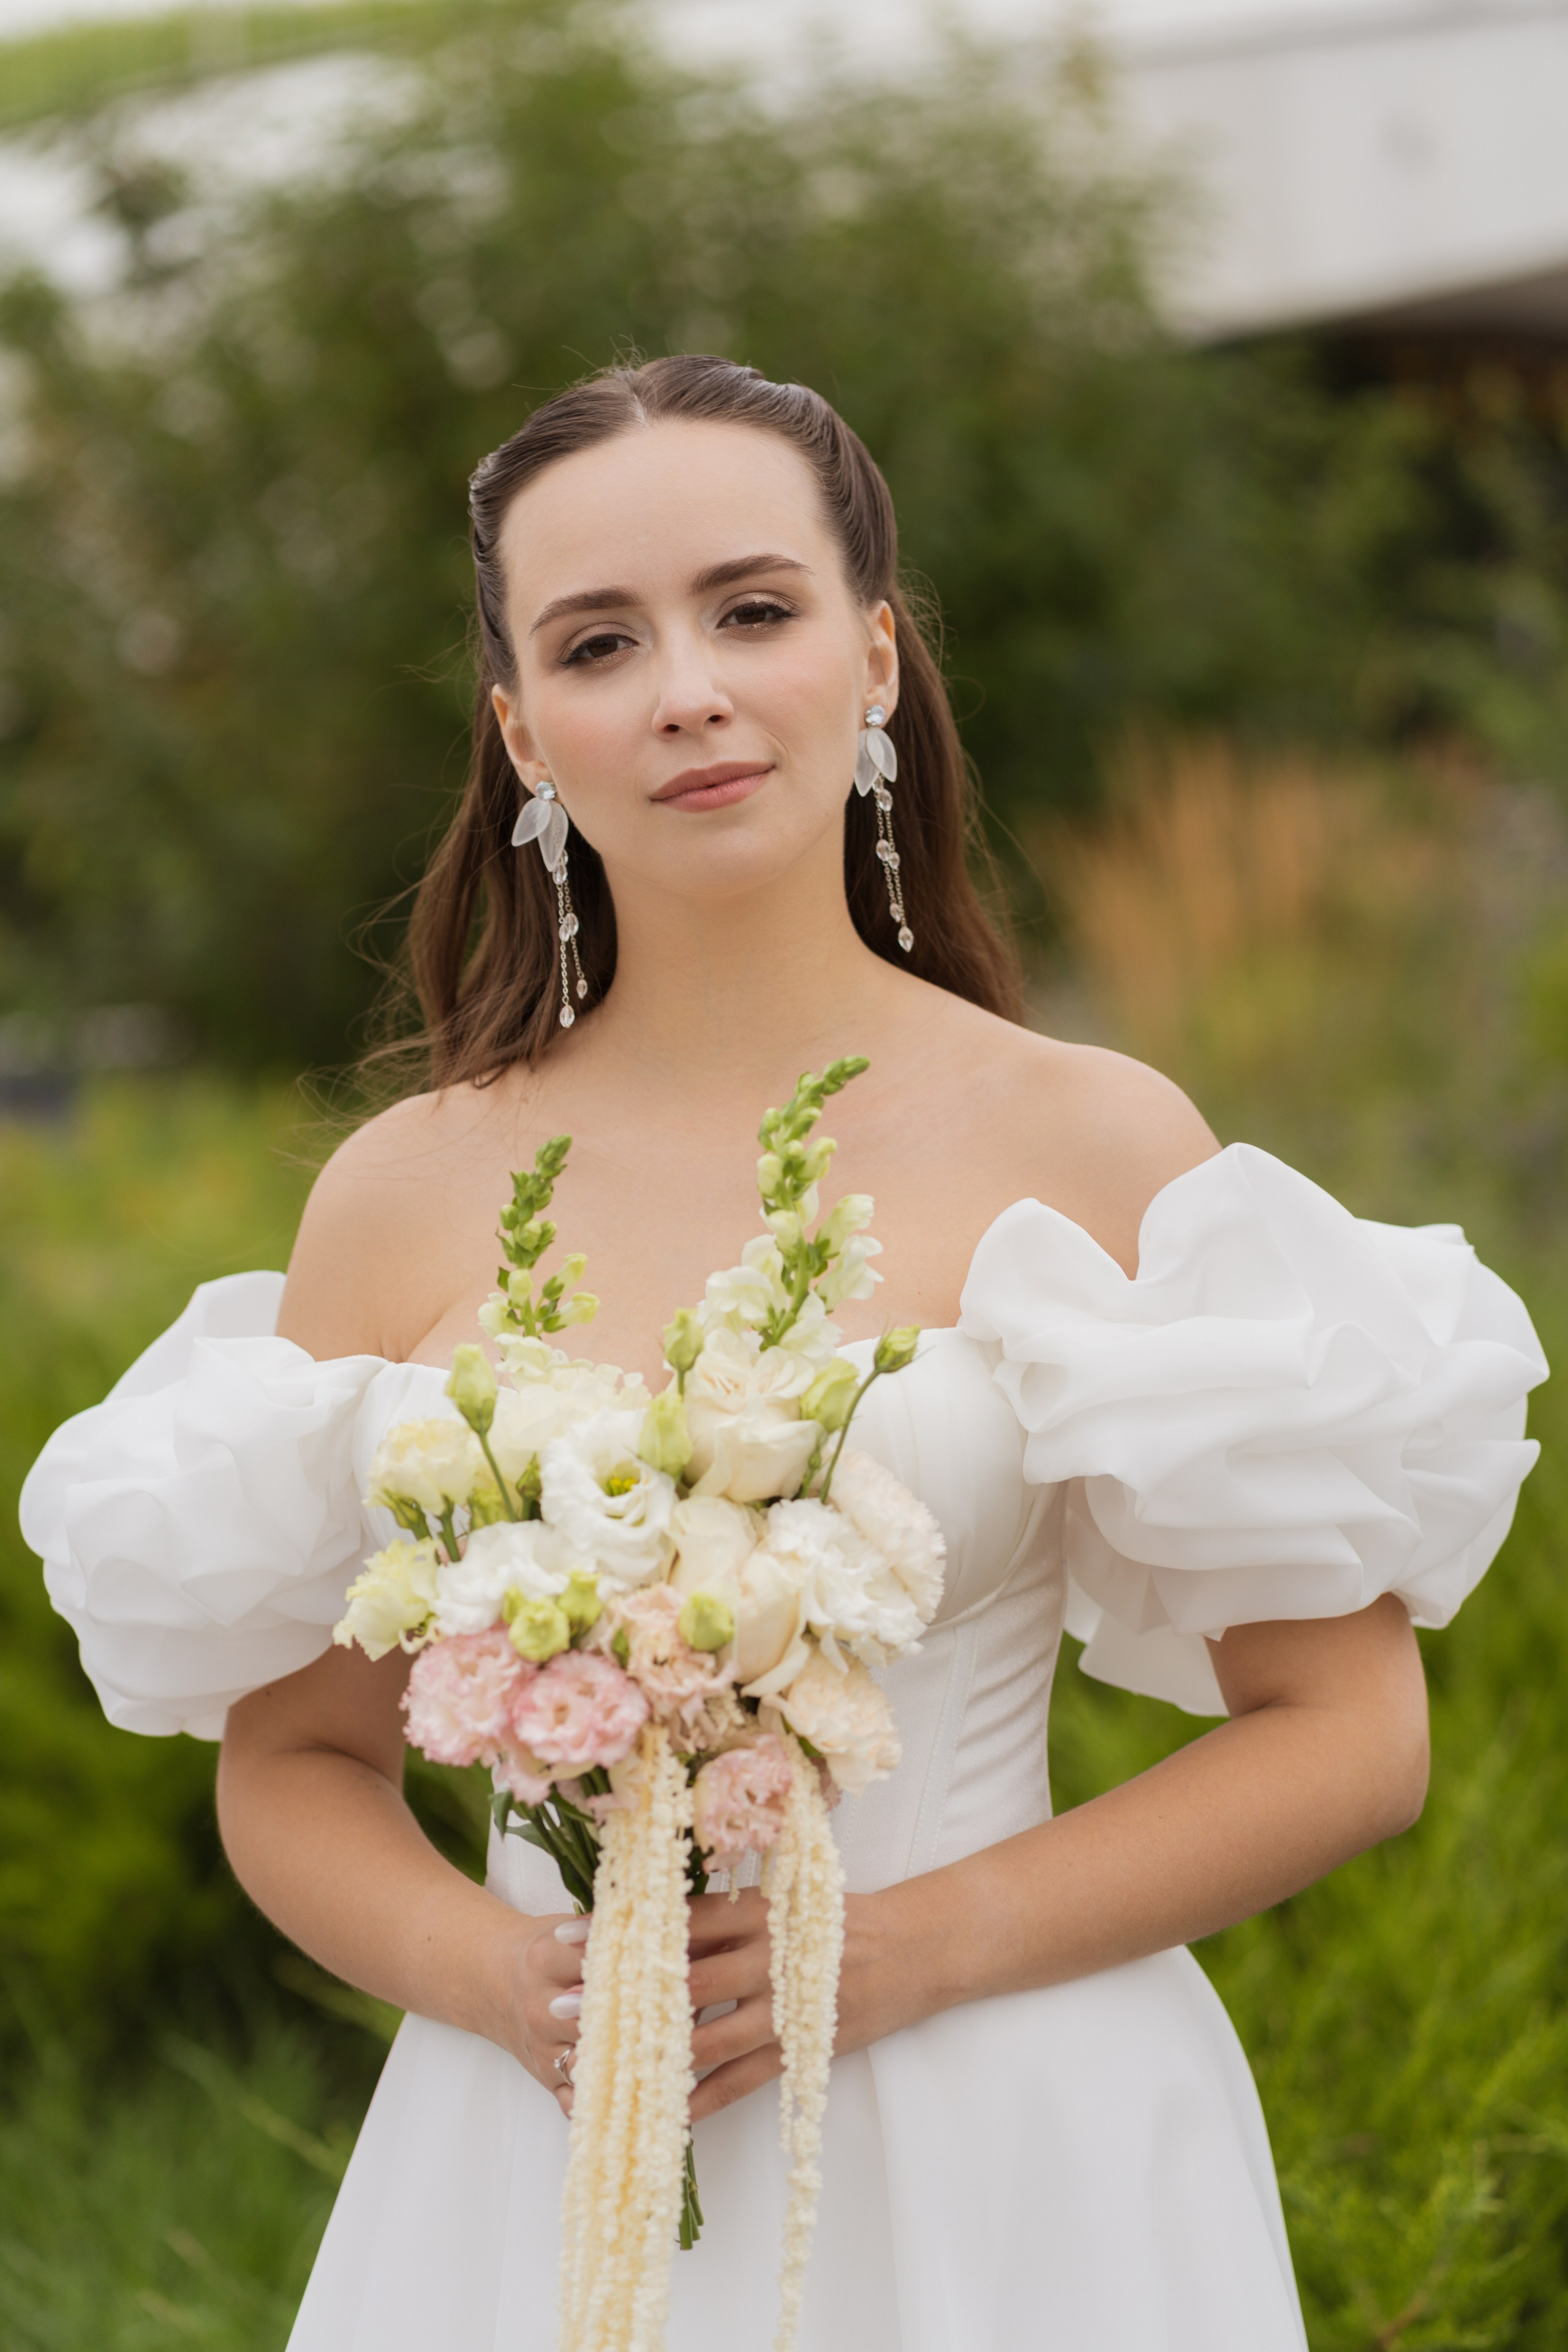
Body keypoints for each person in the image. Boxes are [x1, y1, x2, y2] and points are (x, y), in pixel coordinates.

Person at [21, 355, 1547, 2351]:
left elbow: (1352, 1735)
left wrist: (912, 1947)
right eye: (599, 642)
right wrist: (494, 1978)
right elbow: (298, 1758)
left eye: (754, 609)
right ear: (524, 735)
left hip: (1015, 2139)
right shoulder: (400, 1198)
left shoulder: (1092, 1143)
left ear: (878, 655)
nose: (688, 690)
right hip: (539, 2152)